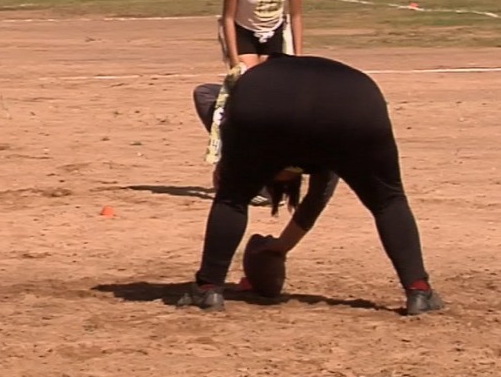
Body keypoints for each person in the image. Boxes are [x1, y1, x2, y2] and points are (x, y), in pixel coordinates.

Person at [178, 54, 443, 316]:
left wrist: (227, 164)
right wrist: (280, 247)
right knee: (388, 201)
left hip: (265, 99)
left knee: (231, 200)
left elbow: (210, 98)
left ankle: (208, 287)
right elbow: (315, 200)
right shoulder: (324, 155)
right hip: (356, 98)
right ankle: (418, 290)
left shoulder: (258, 94)